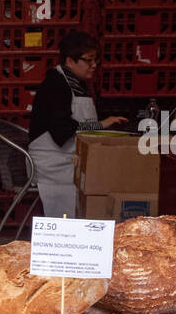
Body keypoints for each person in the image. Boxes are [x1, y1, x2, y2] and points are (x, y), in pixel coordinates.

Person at [27, 31, 128, 219]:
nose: (94, 66)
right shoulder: (55, 85)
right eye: (88, 60)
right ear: (70, 61)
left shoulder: (77, 83)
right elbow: (62, 130)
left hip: (69, 157)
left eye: (95, 60)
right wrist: (101, 126)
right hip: (53, 163)